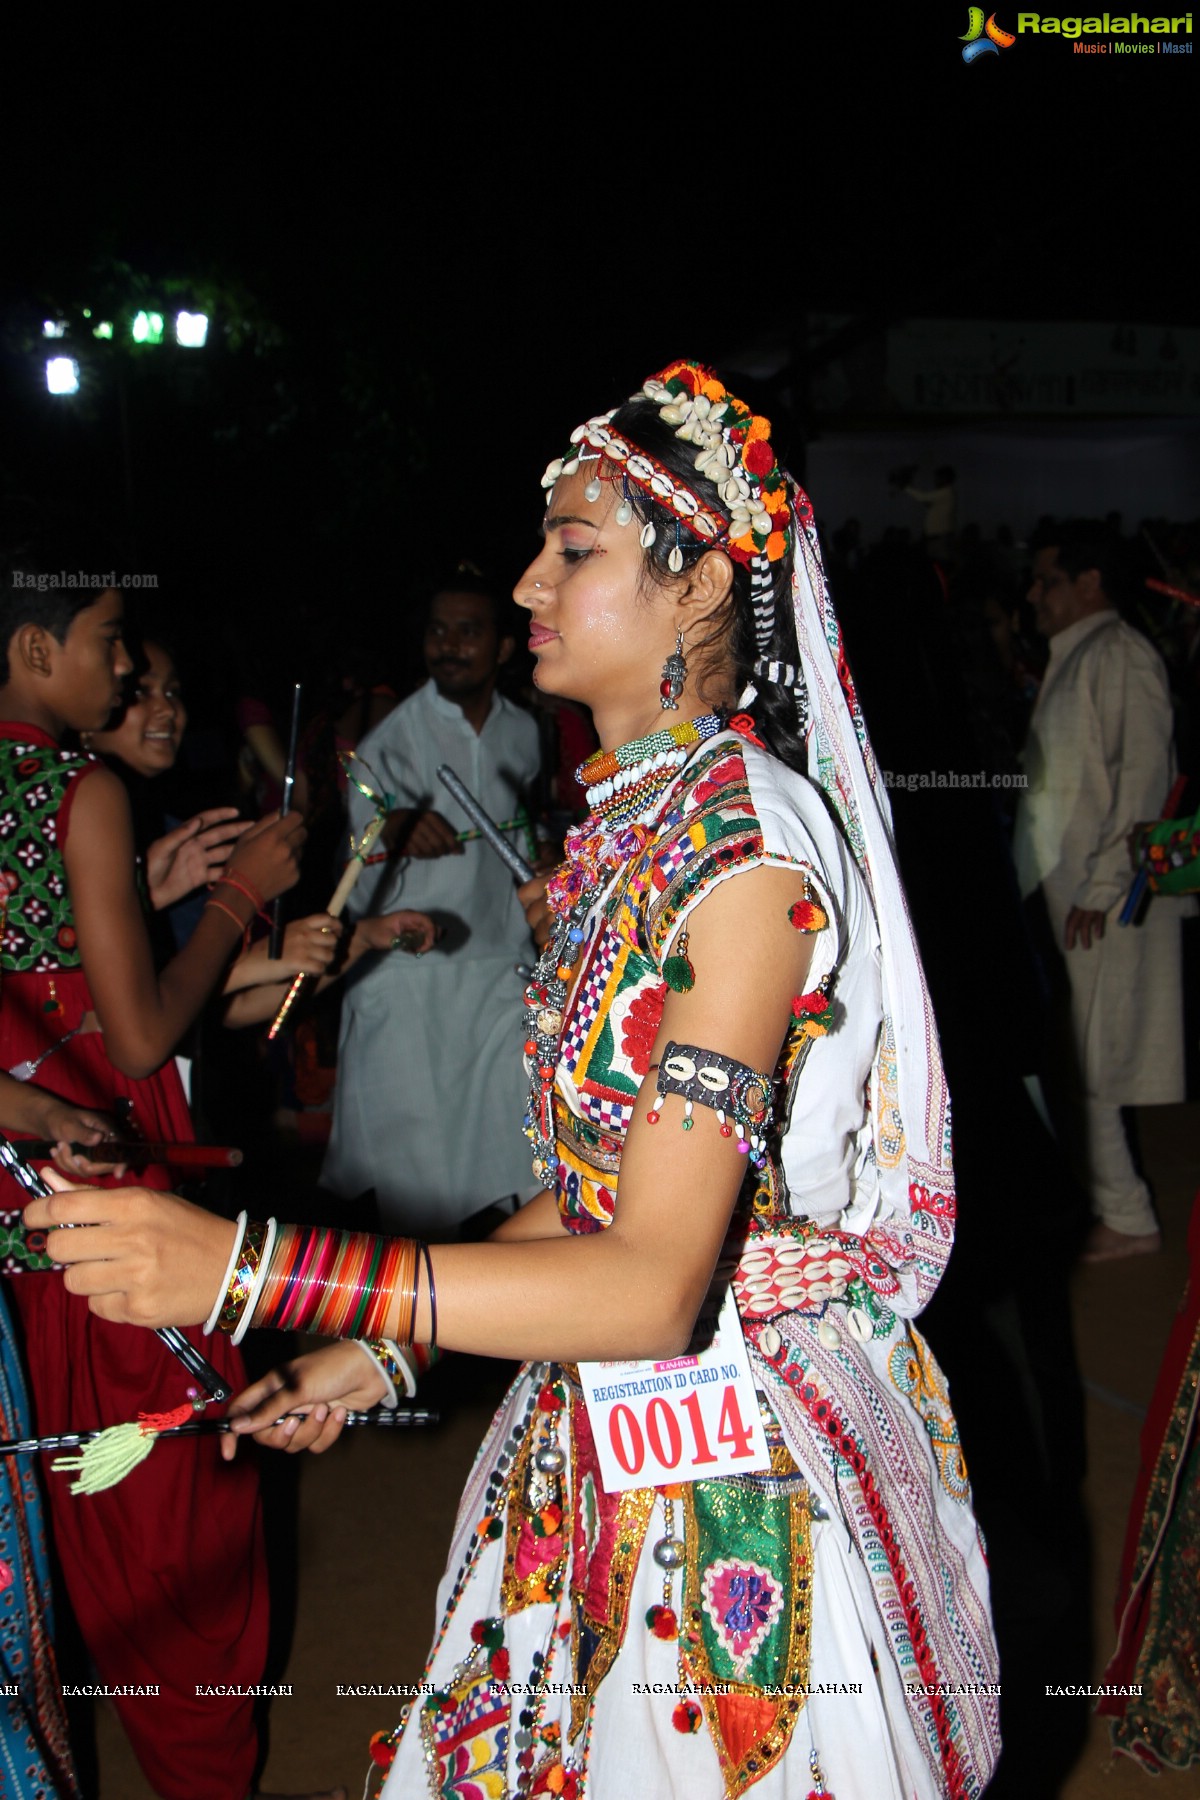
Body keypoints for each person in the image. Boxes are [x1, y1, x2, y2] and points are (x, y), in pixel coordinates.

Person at [28, 364, 1001, 1800]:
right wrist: (385, 1352)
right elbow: (591, 1201)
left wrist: (252, 1273)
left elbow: (657, 1279)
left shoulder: (745, 859)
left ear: (698, 589)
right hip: (603, 1443)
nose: (533, 581)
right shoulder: (634, 833)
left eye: (577, 547)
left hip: (738, 1479)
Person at [0, 559, 305, 1800]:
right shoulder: (83, 791)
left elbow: (43, 965)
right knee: (182, 1524)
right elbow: (135, 1039)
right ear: (34, 652)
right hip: (122, 1210)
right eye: (111, 640)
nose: (126, 669)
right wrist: (241, 896)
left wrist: (152, 893)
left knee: (69, 1523)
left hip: (23, 1226)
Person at [320, 569, 540, 1235]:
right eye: (438, 631)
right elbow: (353, 858)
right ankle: (412, 1326)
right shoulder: (388, 741)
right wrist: (388, 829)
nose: (448, 645)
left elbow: (524, 833)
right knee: (414, 1186)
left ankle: (508, 1322)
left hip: (498, 969)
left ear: (503, 648)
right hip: (409, 979)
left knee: (512, 1160)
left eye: (467, 632)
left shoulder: (525, 732)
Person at [1012, 524, 1187, 1261]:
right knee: (1078, 1054)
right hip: (1072, 886)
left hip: (1102, 895)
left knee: (1093, 1060)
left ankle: (1128, 1213)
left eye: (1048, 579)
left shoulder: (1119, 654)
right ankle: (1110, 1204)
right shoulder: (1080, 656)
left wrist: (1108, 884)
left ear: (1090, 584)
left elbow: (1145, 781)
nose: (1033, 594)